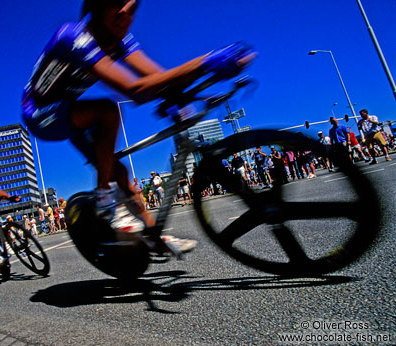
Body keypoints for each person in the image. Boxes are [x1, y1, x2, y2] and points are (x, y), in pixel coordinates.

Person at [20, 0, 255, 252]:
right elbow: (136, 90)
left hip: (72, 112)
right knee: (108, 111)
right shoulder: (73, 36)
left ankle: (153, 235)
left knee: (120, 174)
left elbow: (156, 78)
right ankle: (105, 202)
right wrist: (206, 62)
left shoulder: (121, 41)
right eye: (116, 3)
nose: (124, 13)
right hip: (39, 114)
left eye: (132, 8)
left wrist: (186, 94)